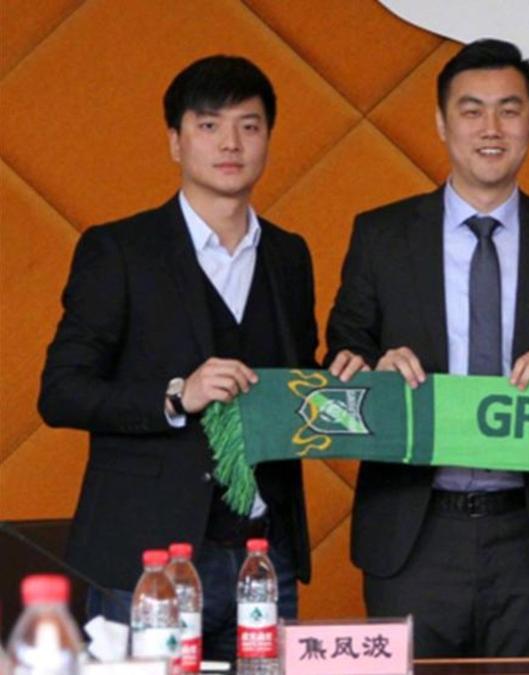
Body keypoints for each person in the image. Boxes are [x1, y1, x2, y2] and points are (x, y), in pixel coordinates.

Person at [324, 38, 529, 657]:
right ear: (440, 122)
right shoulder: (380, 235)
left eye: (510, 110)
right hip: (412, 528)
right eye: (472, 109)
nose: (492, 127)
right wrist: (372, 372)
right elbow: (341, 352)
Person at [38, 55, 315, 663]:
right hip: (149, 562)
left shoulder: (291, 257)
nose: (230, 144)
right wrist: (174, 396)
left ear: (269, 137)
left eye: (249, 125)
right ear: (174, 140)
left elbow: (302, 389)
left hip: (263, 561)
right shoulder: (119, 250)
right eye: (209, 126)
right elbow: (60, 391)